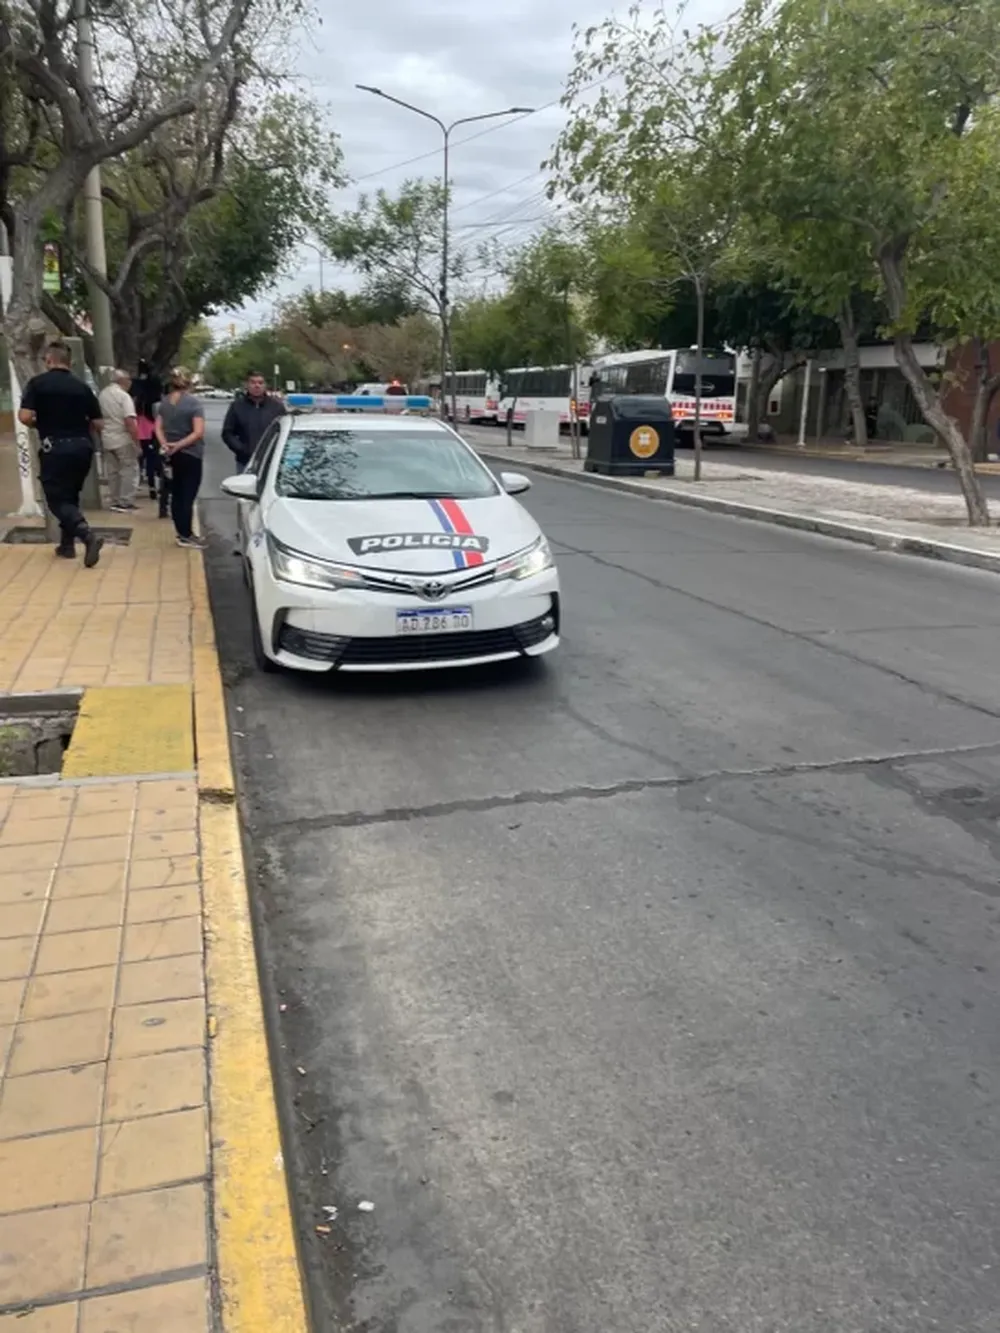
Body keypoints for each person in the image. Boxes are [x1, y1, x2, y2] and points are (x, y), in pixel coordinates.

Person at [18, 340, 104, 566]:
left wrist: (42, 423)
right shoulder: (82, 387)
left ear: (48, 359)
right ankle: (67, 546)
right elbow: (98, 422)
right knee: (71, 495)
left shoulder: (38, 384)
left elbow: (25, 417)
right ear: (70, 361)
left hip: (55, 447)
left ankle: (86, 535)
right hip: (82, 448)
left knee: (56, 499)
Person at [155, 367, 206, 549]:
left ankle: (180, 532)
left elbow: (158, 427)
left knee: (176, 493)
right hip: (190, 454)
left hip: (170, 455)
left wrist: (165, 444)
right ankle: (187, 534)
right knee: (188, 494)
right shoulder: (194, 404)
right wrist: (180, 445)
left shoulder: (165, 403)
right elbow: (198, 432)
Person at [221, 370, 285, 471]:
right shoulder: (237, 406)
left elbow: (283, 432)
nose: (257, 386)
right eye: (253, 382)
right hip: (245, 462)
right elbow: (227, 433)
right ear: (247, 385)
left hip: (271, 462)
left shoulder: (276, 407)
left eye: (260, 383)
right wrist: (241, 450)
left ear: (265, 385)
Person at [99, 369, 140, 511]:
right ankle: (126, 501)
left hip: (107, 438)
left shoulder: (103, 395)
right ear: (123, 381)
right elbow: (129, 421)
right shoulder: (124, 396)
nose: (130, 383)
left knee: (113, 472)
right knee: (129, 469)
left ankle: (115, 500)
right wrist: (137, 442)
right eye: (128, 379)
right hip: (123, 439)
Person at [130, 359, 163, 502]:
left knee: (141, 458)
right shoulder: (155, 383)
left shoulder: (137, 384)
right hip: (152, 426)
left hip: (140, 424)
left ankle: (143, 483)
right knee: (153, 458)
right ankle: (155, 487)